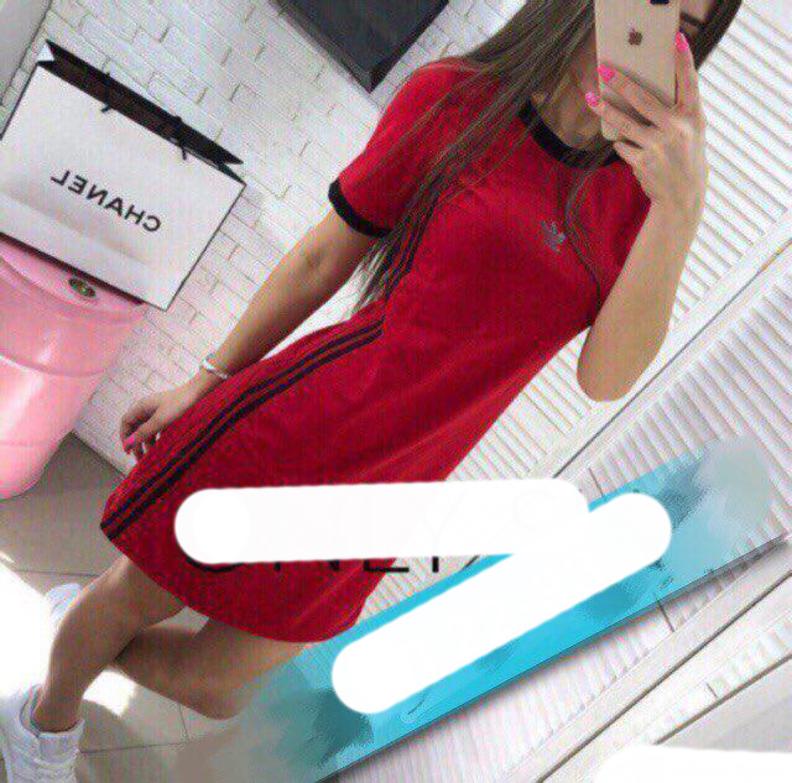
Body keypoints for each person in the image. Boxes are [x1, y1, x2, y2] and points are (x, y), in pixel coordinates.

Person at [1, 1, 740, 780]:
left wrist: (682, 208)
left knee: (218, 685)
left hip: (392, 491)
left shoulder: (647, 197)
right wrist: (207, 378)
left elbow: (605, 378)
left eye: (688, 27)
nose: (659, 34)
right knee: (135, 597)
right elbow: (323, 258)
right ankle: (43, 723)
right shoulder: (457, 100)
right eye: (651, 3)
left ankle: (80, 633)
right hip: (299, 424)